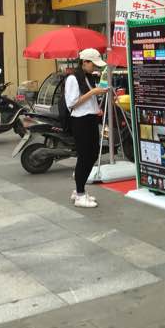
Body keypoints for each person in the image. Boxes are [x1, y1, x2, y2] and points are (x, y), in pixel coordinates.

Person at [65, 48, 108, 208]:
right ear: (85, 62)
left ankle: (79, 189)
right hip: (80, 121)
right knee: (85, 157)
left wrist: (96, 106)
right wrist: (93, 92)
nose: (95, 67)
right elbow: (72, 103)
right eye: (93, 64)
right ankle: (80, 193)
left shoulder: (88, 77)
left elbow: (87, 100)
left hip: (90, 118)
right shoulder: (73, 78)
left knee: (92, 154)